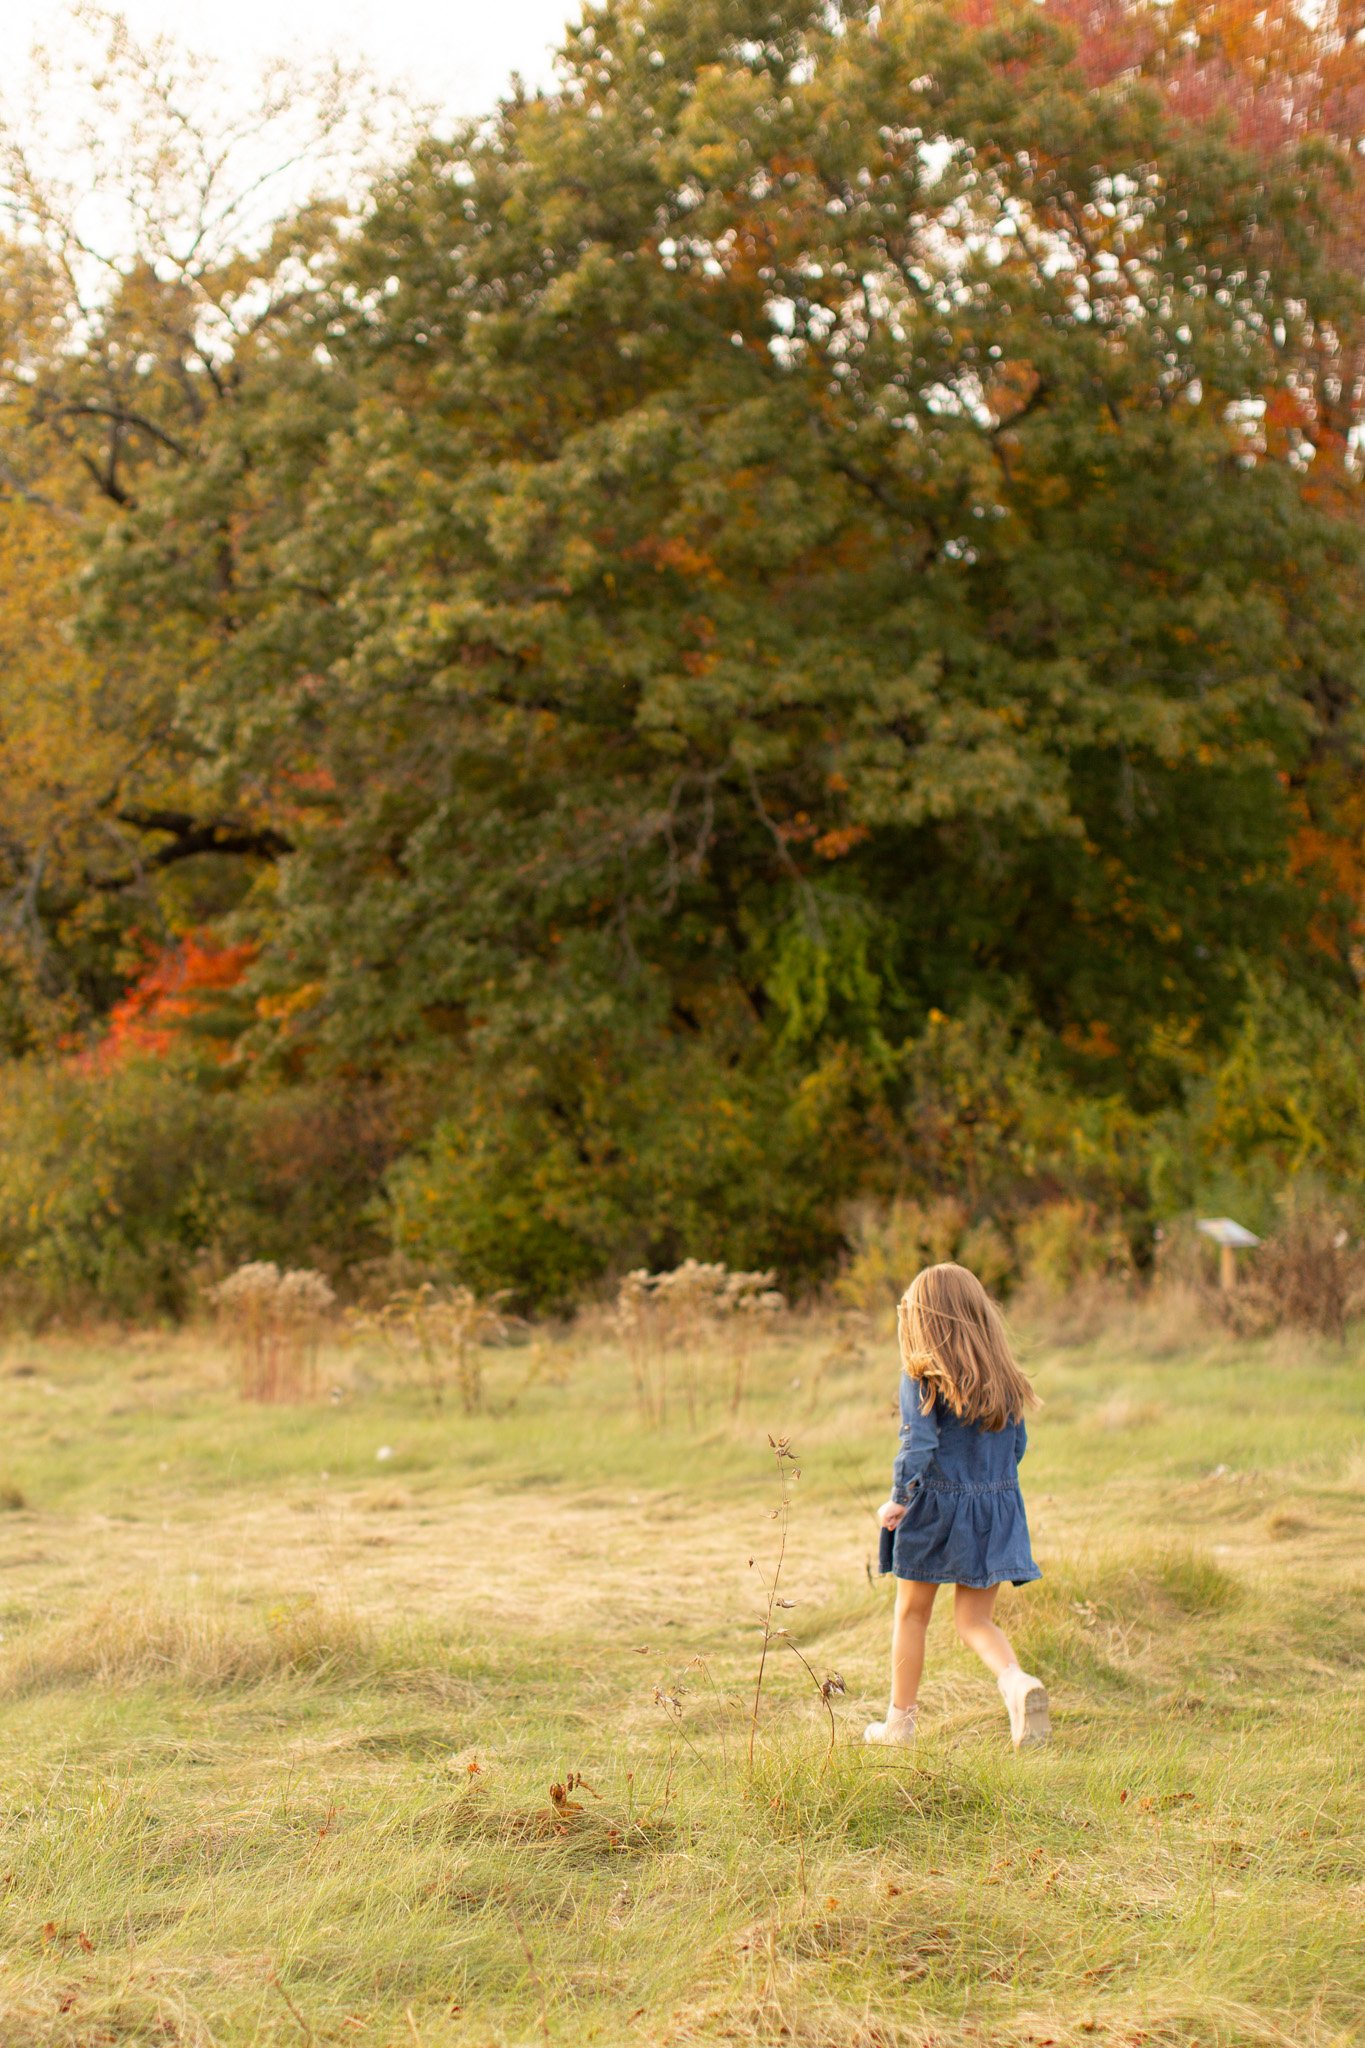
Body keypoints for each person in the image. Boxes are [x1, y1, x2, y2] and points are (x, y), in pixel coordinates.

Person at [865, 1261, 1049, 1750]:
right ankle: (1016, 1682)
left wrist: (899, 1500)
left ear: (924, 1320)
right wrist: (989, 1490)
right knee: (974, 1621)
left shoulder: (921, 1377)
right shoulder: (1005, 1378)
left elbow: (919, 1446)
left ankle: (900, 1726)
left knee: (912, 1614)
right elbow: (1016, 1448)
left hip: (935, 1509)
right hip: (996, 1508)